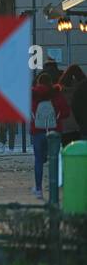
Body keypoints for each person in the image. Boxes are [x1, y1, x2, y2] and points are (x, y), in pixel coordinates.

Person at [31, 71, 71, 200]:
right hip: (54, 132)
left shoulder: (32, 94)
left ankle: (38, 189)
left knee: (38, 160)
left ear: (38, 82)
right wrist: (56, 117)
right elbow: (66, 112)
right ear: (50, 82)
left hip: (37, 131)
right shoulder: (56, 94)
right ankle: (54, 188)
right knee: (54, 159)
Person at [59, 64, 84, 146]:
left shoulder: (60, 91)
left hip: (65, 127)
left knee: (67, 152)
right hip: (80, 126)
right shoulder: (82, 89)